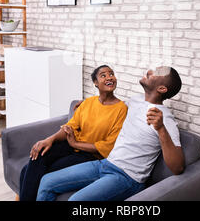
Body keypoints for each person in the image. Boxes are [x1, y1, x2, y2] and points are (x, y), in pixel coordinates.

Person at [36, 66, 184, 201]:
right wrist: (90, 103)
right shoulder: (135, 100)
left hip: (127, 177)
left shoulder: (166, 120)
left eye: (157, 73)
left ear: (162, 88)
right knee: (47, 181)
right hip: (105, 163)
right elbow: (110, 106)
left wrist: (161, 129)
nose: (150, 71)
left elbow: (178, 167)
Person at [18, 65, 127, 201]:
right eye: (103, 75)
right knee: (39, 153)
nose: (109, 77)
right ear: (95, 83)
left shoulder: (121, 109)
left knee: (32, 171)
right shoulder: (88, 102)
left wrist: (75, 143)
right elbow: (70, 127)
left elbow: (108, 146)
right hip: (71, 145)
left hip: (90, 155)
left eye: (111, 74)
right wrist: (49, 139)